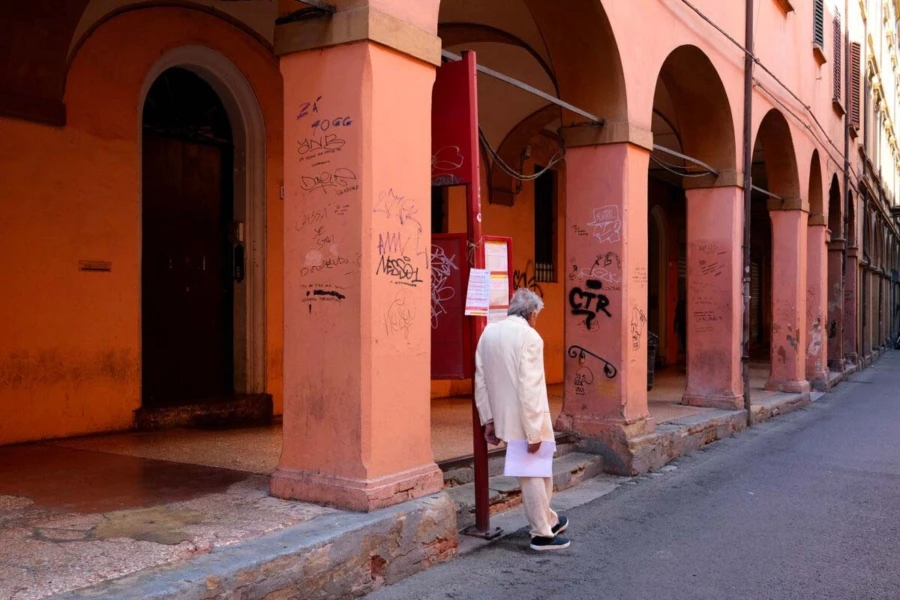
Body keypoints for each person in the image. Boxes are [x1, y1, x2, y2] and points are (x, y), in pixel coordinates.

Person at [474, 288, 570, 551]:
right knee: (534, 476)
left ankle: (548, 519)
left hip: (505, 419)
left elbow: (480, 381)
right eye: (537, 314)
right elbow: (530, 388)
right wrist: (533, 432)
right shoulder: (530, 336)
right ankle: (541, 533)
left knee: (538, 472)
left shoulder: (488, 333)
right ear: (531, 313)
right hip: (528, 420)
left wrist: (489, 420)